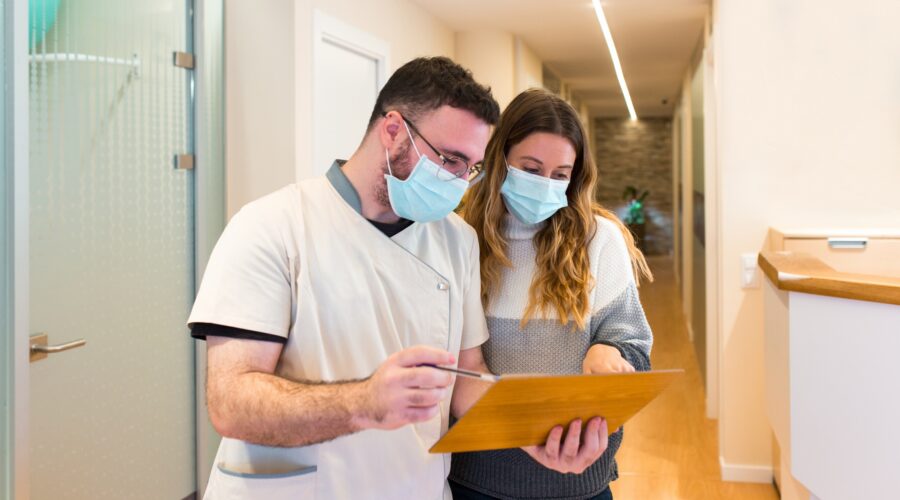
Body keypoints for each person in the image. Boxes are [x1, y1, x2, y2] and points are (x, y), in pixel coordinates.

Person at [186, 57, 502, 500]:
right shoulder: (273, 225)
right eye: (449, 159)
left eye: (469, 167)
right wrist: (364, 403)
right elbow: (231, 402)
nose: (458, 183)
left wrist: (540, 431)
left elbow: (468, 375)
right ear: (393, 131)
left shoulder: (458, 240)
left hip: (414, 487)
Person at [449, 88, 655, 500]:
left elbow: (635, 349)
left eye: (560, 175)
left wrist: (610, 352)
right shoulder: (460, 238)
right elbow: (453, 362)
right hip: (478, 478)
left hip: (578, 480)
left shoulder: (600, 240)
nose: (546, 185)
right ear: (499, 160)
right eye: (530, 168)